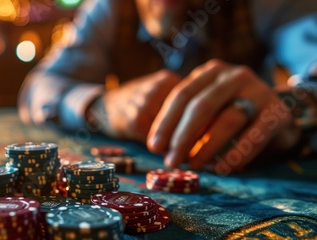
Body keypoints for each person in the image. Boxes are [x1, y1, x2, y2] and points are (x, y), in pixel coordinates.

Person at [18, 0, 317, 173]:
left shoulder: (261, 5)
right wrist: (101, 107)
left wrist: (290, 108)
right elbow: (38, 87)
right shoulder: (108, 8)